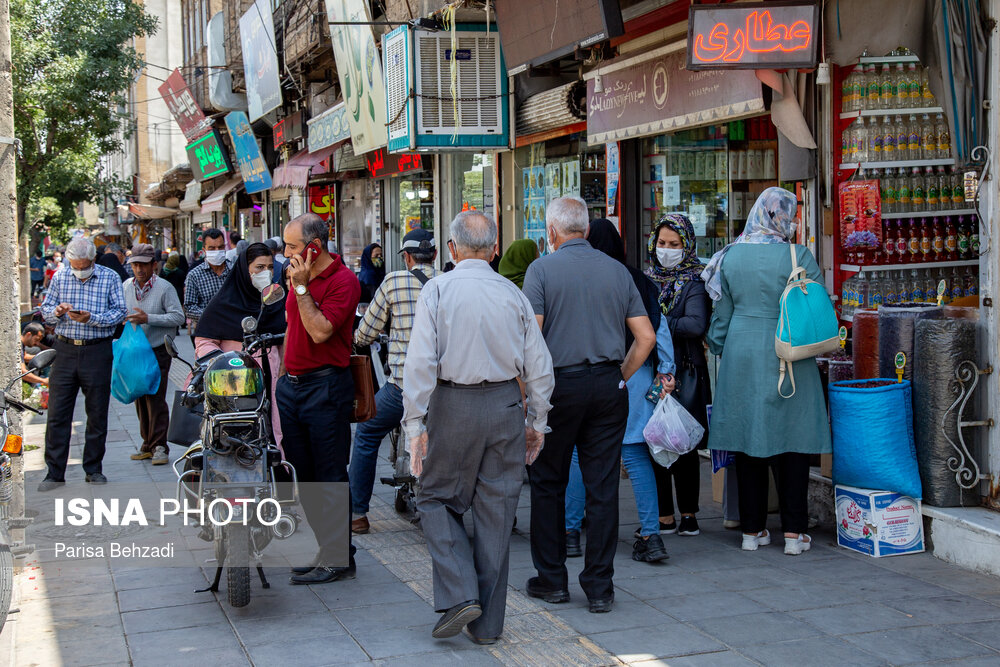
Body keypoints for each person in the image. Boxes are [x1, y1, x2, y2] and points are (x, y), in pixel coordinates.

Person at [402, 211, 554, 643]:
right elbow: (539, 367)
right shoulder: (512, 292)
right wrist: (536, 421)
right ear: (493, 250)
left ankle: (461, 591)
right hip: (506, 404)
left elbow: (420, 363)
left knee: (434, 498)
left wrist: (415, 423)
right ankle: (486, 628)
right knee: (496, 512)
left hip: (454, 404)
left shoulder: (438, 290)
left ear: (451, 249)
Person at [521, 197, 655, 614]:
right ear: (585, 228)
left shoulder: (541, 269)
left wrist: (528, 392)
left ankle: (552, 580)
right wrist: (621, 374)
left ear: (553, 233)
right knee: (602, 487)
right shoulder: (617, 271)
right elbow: (646, 337)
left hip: (559, 386)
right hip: (607, 386)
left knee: (547, 482)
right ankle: (600, 587)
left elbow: (531, 340)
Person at [702, 187, 831, 556]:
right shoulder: (798, 254)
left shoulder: (730, 256)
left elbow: (721, 317)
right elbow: (814, 307)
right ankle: (793, 533)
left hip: (742, 352)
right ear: (786, 217)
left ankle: (751, 531)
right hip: (789, 350)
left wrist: (717, 343)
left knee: (747, 441)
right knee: (792, 442)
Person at [563, 219, 675, 564]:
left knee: (580, 455)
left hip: (587, 376)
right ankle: (651, 535)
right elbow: (659, 330)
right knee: (636, 455)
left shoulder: (580, 279)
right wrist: (666, 373)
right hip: (636, 377)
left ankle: (569, 533)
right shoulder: (639, 280)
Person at [277, 213, 360, 584]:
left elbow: (320, 331)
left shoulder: (344, 281)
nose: (285, 254)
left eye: (291, 247)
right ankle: (327, 548)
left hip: (325, 387)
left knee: (329, 475)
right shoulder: (294, 277)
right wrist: (282, 376)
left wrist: (303, 288)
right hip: (292, 386)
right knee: (304, 475)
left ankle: (338, 557)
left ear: (314, 247)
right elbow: (291, 328)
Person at [350, 229, 438, 534]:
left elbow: (366, 332)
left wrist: (360, 337)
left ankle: (358, 514)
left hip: (403, 387)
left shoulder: (393, 281)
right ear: (436, 255)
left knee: (366, 433)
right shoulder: (447, 281)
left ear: (407, 257)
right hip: (444, 390)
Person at [38, 237, 127, 490]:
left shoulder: (109, 277)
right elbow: (45, 310)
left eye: (83, 265)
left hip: (97, 350)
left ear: (93, 260)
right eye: (75, 265)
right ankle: (54, 472)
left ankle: (93, 469)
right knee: (57, 413)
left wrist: (92, 318)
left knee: (97, 413)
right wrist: (56, 312)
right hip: (64, 349)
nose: (79, 270)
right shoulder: (60, 276)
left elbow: (120, 312)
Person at [645, 213, 713, 537]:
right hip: (654, 371)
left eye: (674, 244)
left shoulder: (695, 282)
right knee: (655, 440)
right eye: (662, 243)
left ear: (686, 246)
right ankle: (664, 515)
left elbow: (696, 324)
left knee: (682, 442)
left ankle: (689, 514)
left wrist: (657, 325)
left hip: (686, 372)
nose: (666, 250)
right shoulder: (648, 279)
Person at [194, 243, 286, 446]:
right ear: (246, 270)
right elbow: (204, 340)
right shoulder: (223, 303)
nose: (266, 273)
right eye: (259, 268)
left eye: (270, 267)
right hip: (235, 386)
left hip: (274, 384)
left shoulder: (275, 300)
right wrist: (225, 364)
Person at [122, 244, 185, 466]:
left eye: (143, 265)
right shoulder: (126, 287)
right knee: (140, 397)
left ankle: (160, 446)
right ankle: (147, 444)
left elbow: (178, 318)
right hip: (135, 350)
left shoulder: (164, 288)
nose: (139, 269)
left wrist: (148, 318)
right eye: (135, 265)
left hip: (158, 349)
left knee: (156, 398)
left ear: (154, 265)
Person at [184, 228, 230, 333]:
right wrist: (211, 315)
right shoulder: (194, 275)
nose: (217, 251)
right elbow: (189, 307)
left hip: (233, 330)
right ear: (204, 250)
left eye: (220, 247)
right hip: (207, 332)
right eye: (212, 248)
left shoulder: (235, 271)